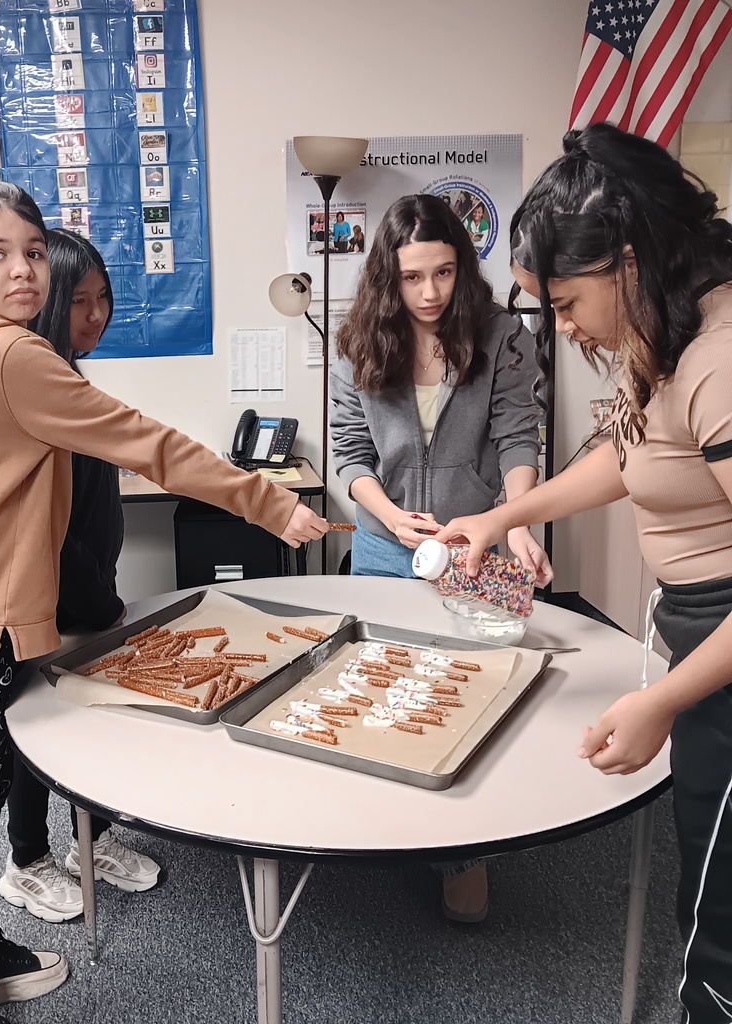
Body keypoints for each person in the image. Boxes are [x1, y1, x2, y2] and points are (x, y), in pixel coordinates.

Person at [0, 180, 327, 1024]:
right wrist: (269, 503)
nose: (23, 271)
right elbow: (147, 442)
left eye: (32, 252)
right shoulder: (12, 355)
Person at [434, 122, 732, 1023]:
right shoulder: (673, 331)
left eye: (566, 303)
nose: (563, 328)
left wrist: (664, 699)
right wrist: (503, 516)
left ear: (628, 263)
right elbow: (630, 456)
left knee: (721, 922)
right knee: (705, 878)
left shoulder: (720, 360)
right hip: (697, 636)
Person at [329, 192, 552, 923]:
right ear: (386, 278)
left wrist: (515, 521)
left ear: (463, 267)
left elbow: (519, 434)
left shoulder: (500, 335)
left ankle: (463, 853)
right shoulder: (359, 340)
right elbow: (349, 452)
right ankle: (382, 829)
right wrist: (391, 517)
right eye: (412, 277)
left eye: (444, 273)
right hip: (382, 545)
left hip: (475, 545)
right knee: (382, 690)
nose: (429, 293)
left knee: (466, 698)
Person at [0, 229, 159, 924]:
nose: (96, 315)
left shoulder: (71, 382)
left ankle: (88, 842)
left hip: (86, 594)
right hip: (48, 602)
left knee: (87, 725)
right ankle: (26, 861)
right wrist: (99, 603)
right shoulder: (33, 392)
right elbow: (50, 534)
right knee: (37, 735)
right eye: (79, 301)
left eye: (103, 299)